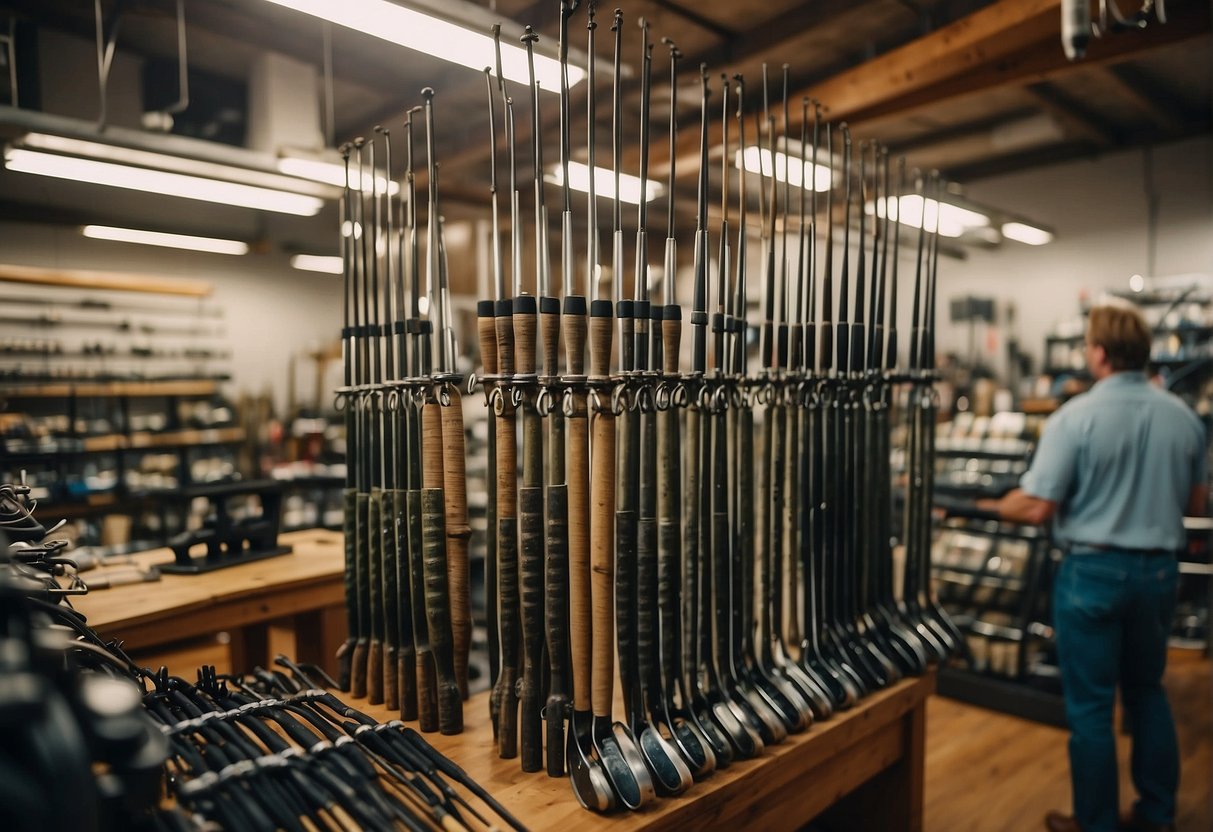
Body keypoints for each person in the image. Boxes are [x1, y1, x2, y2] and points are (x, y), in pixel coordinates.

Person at [978, 301, 1206, 832]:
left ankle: (1097, 823)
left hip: (1092, 575)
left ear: (1099, 353)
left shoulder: (1074, 417)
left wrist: (985, 505)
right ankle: (1157, 816)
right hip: (1157, 575)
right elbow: (1195, 508)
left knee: (1091, 710)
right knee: (1148, 692)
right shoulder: (1186, 419)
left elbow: (1037, 506)